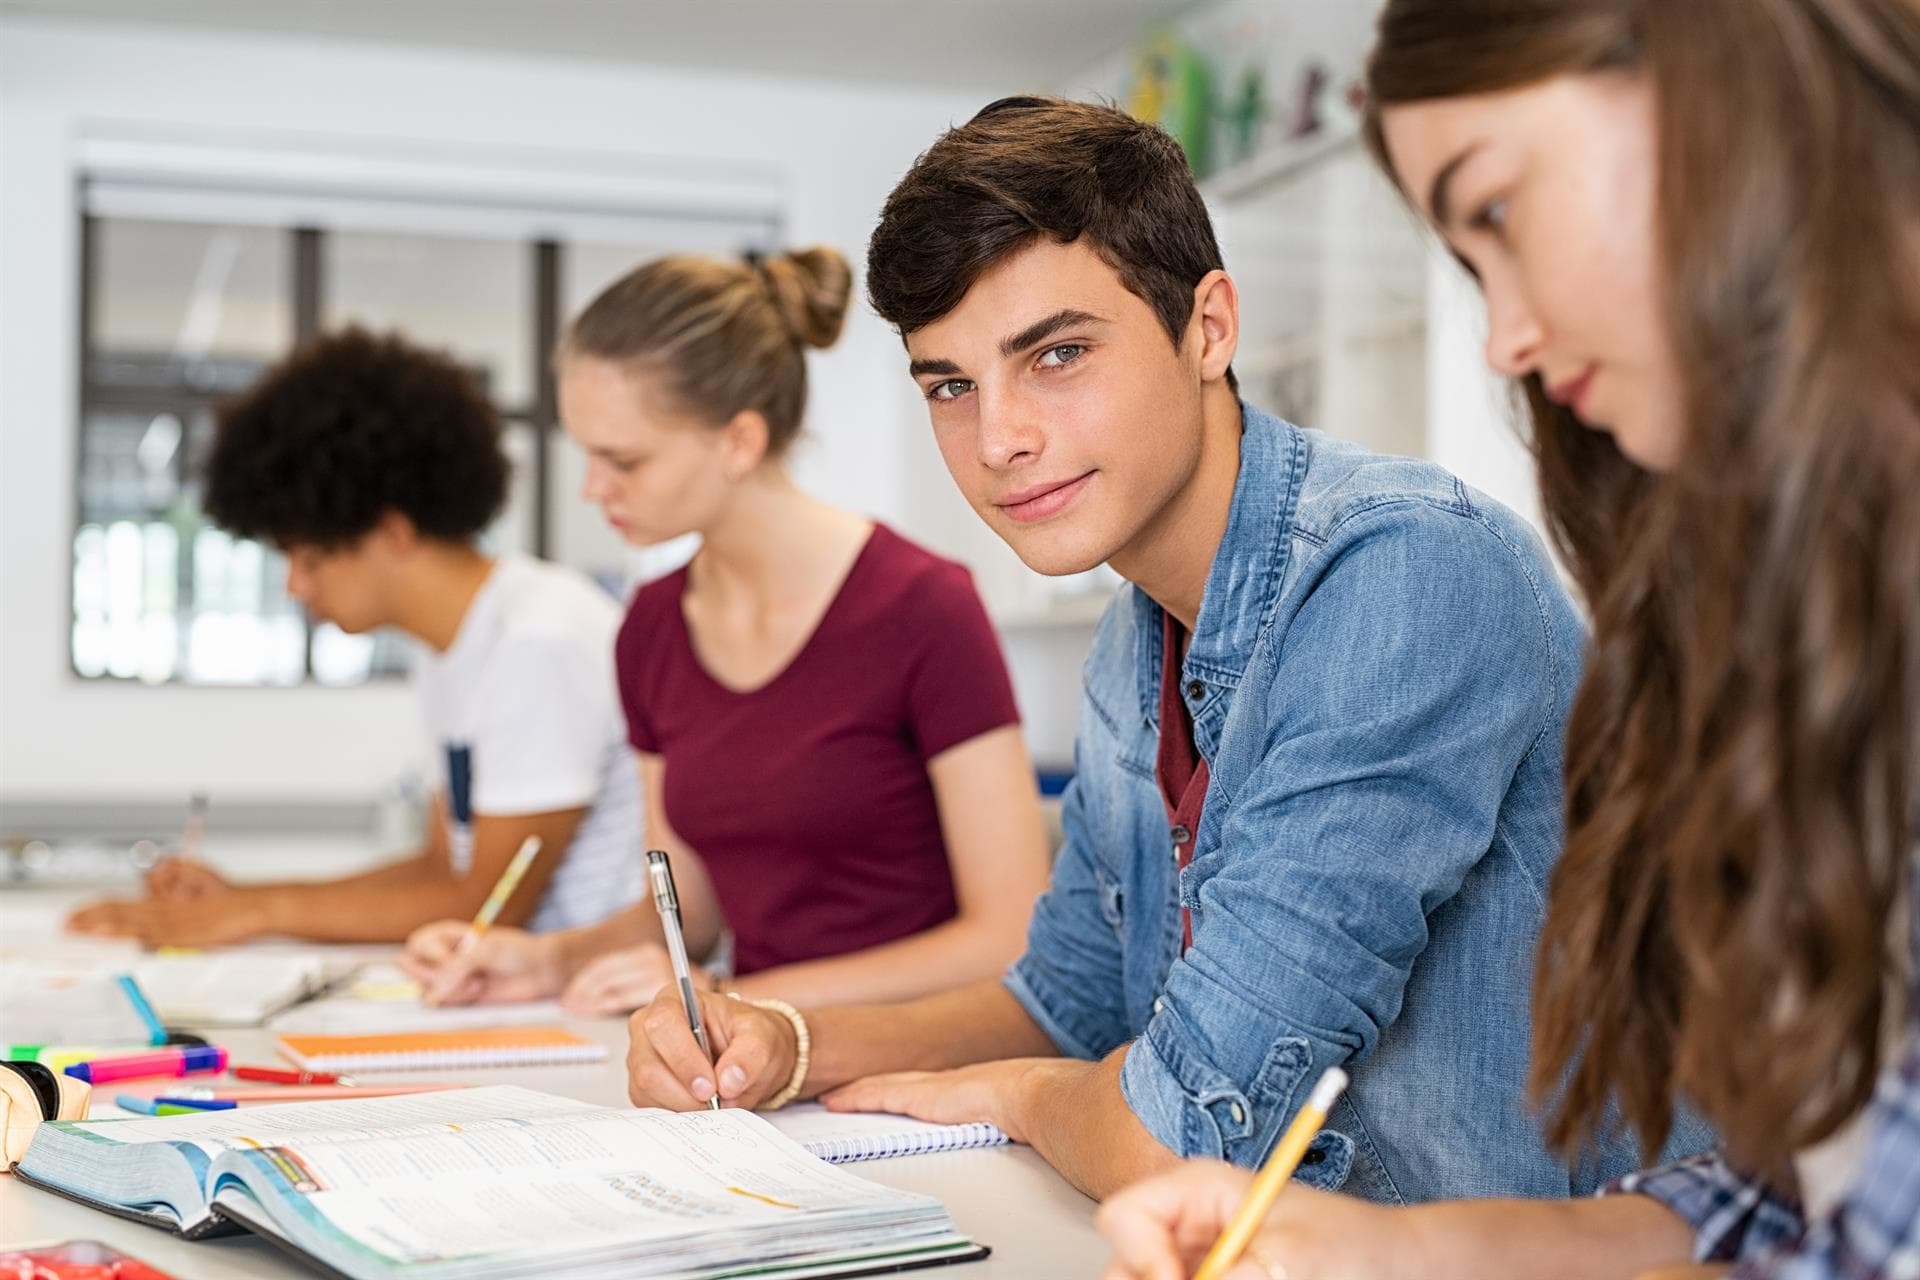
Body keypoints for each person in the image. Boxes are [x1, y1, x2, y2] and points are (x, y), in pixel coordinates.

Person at [620, 97, 1709, 1203]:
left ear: (1210, 327)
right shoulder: (1130, 644)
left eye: (1056, 354)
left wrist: (1026, 1094)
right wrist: (786, 1039)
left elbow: (1189, 1131)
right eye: (951, 384)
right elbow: (1066, 1000)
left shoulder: (1406, 574)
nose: (998, 438)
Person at [1098, 1, 1920, 1276]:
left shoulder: (1404, 565)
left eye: (1496, 215)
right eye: (1471, 265)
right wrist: (1396, 1250)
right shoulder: (1822, 605)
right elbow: (1817, 1189)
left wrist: (1020, 1095)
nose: (1505, 339)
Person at [401, 246, 1051, 1017]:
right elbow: (688, 915)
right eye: (587, 453)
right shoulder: (650, 629)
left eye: (623, 459)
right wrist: (545, 960)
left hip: (917, 1064)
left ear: (738, 442)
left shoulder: (924, 607)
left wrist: (736, 996)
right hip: (749, 1063)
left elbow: (1008, 935)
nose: (592, 488)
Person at [67, 328, 644, 947]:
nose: (294, 586)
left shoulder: (539, 638)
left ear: (392, 532)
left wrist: (261, 913)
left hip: (593, 1001)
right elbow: (440, 870)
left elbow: (487, 904)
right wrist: (245, 900)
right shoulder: (453, 650)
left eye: (310, 558)